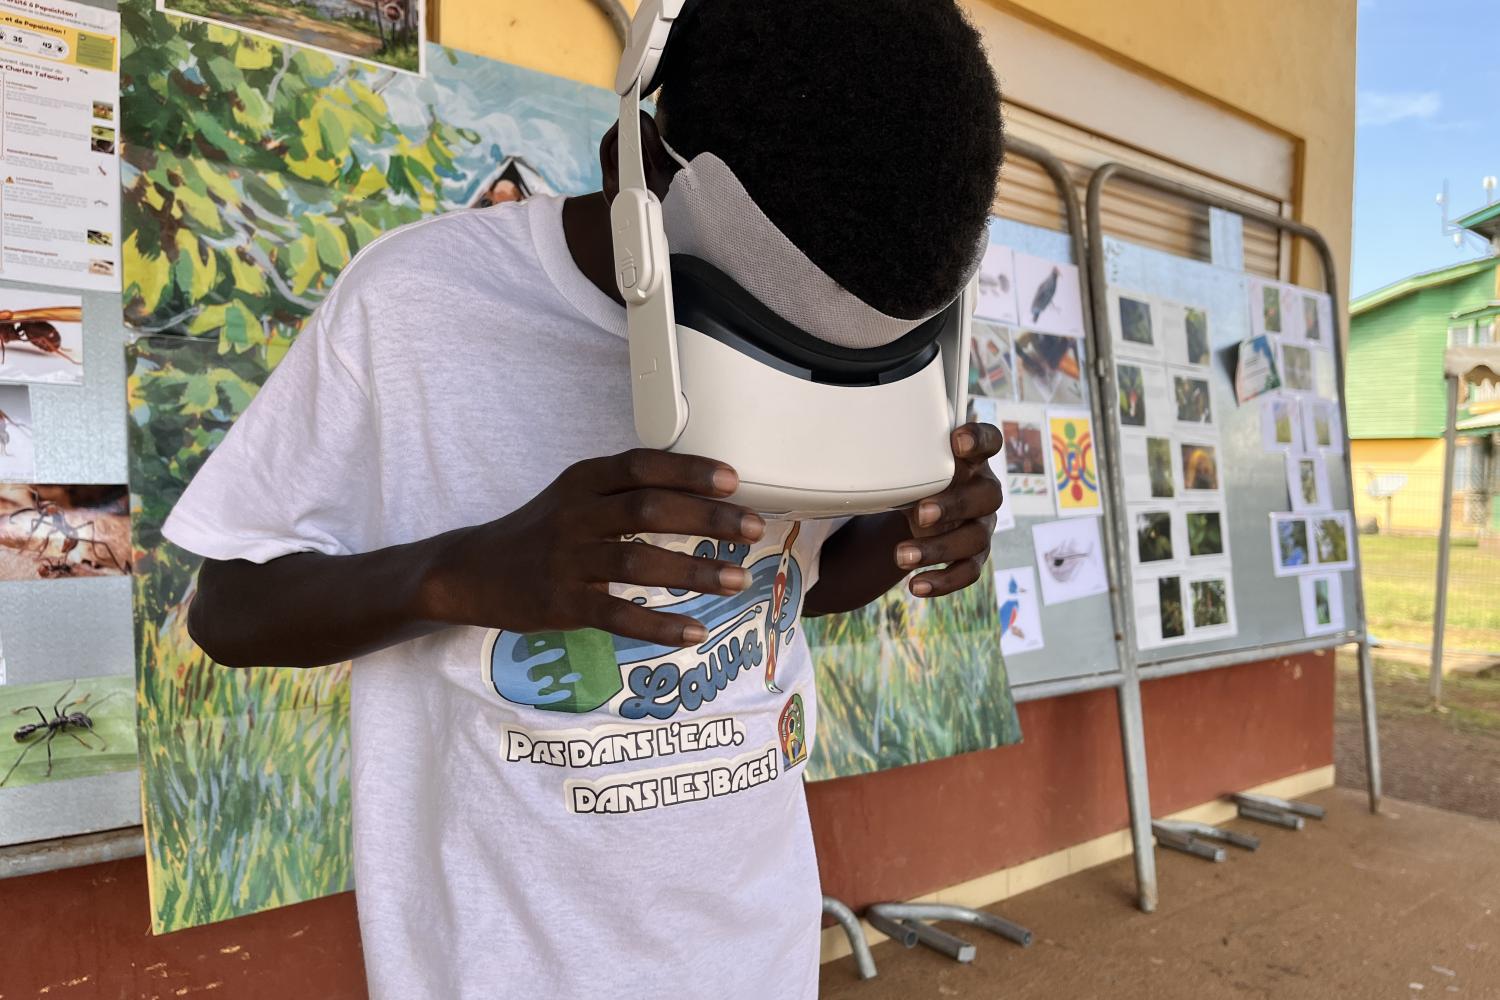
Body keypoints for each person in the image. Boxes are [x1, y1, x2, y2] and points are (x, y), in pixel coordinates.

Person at [168, 1, 1005, 996]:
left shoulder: (868, 270)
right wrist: (457, 575)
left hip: (761, 957)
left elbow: (784, 588)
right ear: (633, 163)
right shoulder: (414, 306)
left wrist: (904, 538)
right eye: (770, 336)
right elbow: (227, 609)